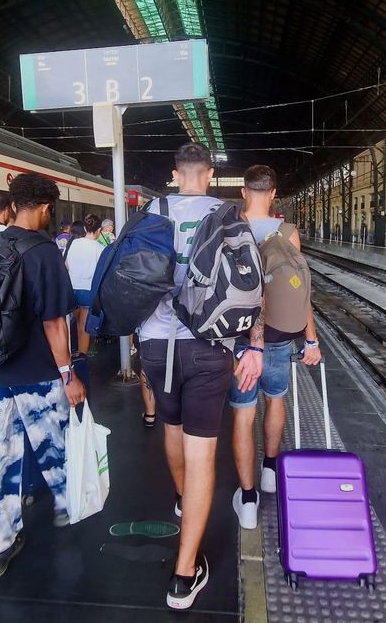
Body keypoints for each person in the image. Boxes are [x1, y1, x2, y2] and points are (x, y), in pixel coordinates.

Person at [137, 142, 263, 610]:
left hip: (155, 342)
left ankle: (179, 497)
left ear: (175, 174)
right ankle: (184, 575)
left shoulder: (151, 211)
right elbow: (253, 286)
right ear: (209, 174)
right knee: (202, 450)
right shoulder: (230, 216)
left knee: (170, 427)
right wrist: (253, 345)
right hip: (210, 346)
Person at [0, 172, 85, 580]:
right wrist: (69, 374)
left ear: (13, 203)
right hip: (35, 371)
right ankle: (66, 506)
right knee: (53, 442)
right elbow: (55, 324)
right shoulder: (45, 252)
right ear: (46, 208)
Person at [228, 165, 322, 531]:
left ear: (242, 192)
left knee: (243, 412)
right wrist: (310, 339)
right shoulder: (288, 233)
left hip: (239, 341)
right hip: (281, 336)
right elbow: (302, 294)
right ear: (273, 193)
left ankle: (248, 499)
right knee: (276, 399)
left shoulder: (231, 230)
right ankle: (270, 470)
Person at [64, 215, 105, 355]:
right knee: (84, 327)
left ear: (85, 228)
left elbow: (66, 265)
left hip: (72, 288)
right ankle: (82, 356)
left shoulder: (73, 243)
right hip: (88, 290)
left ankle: (69, 354)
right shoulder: (100, 248)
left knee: (72, 324)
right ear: (99, 230)